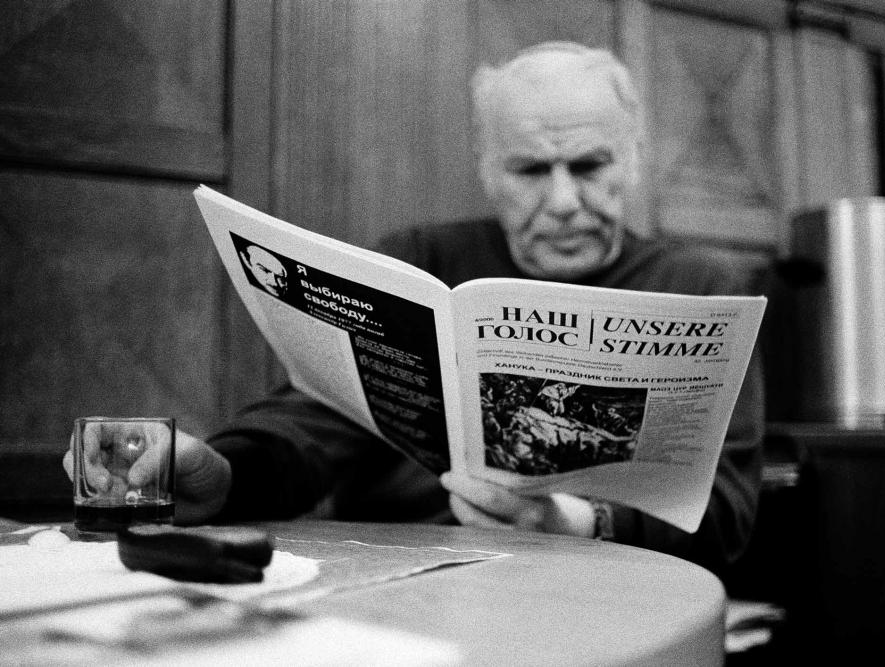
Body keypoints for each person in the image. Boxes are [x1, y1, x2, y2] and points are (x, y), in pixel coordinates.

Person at [64, 41, 763, 576]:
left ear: (633, 161)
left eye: (588, 166)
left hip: (602, 583)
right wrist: (225, 474)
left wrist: (577, 521)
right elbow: (315, 419)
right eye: (528, 170)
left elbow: (727, 517)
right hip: (402, 575)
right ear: (487, 168)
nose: (562, 202)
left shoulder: (699, 284)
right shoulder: (418, 256)